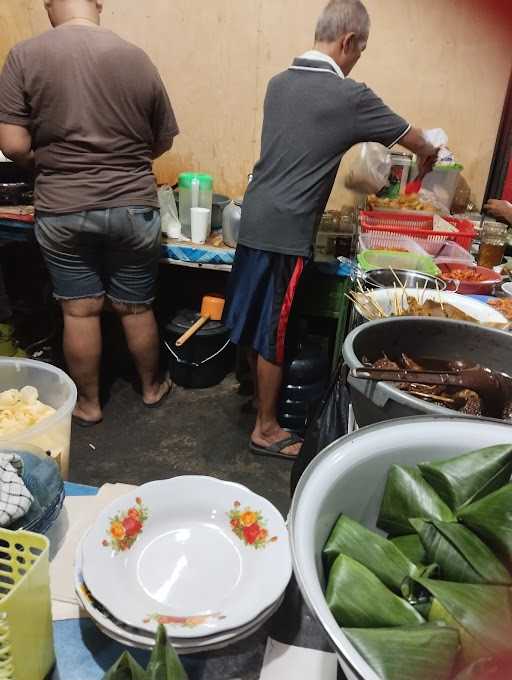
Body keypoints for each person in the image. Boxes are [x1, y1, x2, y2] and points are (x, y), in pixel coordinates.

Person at [223, 0, 438, 460]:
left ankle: (251, 398)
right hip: (288, 230)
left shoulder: (278, 84)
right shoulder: (350, 96)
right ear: (348, 42)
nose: (358, 58)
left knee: (254, 317)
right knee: (274, 332)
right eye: (360, 50)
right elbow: (414, 139)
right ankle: (265, 427)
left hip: (256, 215)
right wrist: (429, 156)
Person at [0, 0, 179, 426]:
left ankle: (89, 404)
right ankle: (152, 388)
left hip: (63, 207)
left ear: (49, 7)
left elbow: (13, 145)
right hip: (133, 204)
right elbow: (162, 142)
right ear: (98, 3)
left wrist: (51, 163)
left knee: (79, 310)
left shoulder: (24, 56)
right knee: (135, 307)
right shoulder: (135, 57)